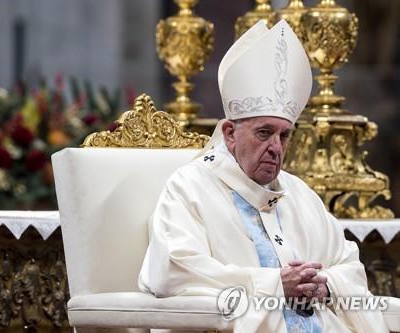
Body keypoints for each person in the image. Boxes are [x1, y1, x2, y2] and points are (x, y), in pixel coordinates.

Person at [138, 19, 389, 332]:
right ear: (230, 133)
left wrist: (326, 285)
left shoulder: (299, 194)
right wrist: (274, 284)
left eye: (284, 136)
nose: (275, 147)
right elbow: (175, 272)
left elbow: (348, 264)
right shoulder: (189, 188)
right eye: (264, 132)